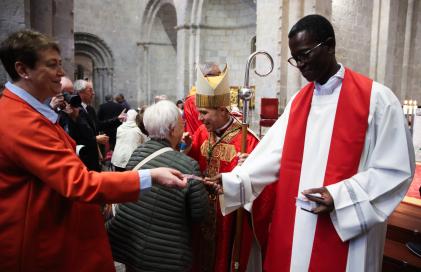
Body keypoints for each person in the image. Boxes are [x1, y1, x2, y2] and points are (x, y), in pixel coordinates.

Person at [206, 14, 415, 272]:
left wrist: (339, 197)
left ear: (328, 46)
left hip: (344, 229)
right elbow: (270, 154)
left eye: (305, 54)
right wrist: (232, 181)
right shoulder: (299, 102)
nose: (301, 65)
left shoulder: (377, 100)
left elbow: (395, 170)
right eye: (295, 59)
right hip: (295, 226)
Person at [0, 29, 186, 272]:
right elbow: (77, 182)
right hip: (45, 242)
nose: (61, 72)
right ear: (23, 70)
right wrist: (150, 176)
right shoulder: (19, 120)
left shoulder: (29, 111)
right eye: (52, 65)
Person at [186, 64, 273, 272]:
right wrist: (185, 151)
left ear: (223, 110)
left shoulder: (247, 141)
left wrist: (249, 171)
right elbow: (192, 168)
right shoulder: (200, 134)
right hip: (203, 213)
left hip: (229, 218)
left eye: (204, 113)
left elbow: (266, 190)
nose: (199, 118)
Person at [107, 100, 208, 271]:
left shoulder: (138, 152)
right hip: (165, 255)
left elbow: (162, 160)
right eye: (181, 123)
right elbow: (199, 214)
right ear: (173, 129)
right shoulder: (190, 166)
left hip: (130, 245)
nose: (183, 126)